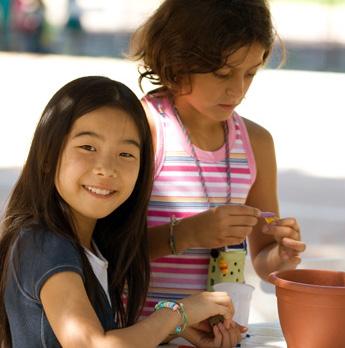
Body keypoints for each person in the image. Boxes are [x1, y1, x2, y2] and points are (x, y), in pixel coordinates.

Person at [0, 76, 241, 347]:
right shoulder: (46, 245)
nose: (106, 168)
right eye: (88, 147)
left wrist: (177, 329)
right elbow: (92, 344)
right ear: (47, 158)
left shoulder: (90, 245)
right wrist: (176, 314)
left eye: (125, 154)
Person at [130, 0, 306, 341]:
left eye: (251, 72)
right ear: (178, 63)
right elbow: (104, 248)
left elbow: (263, 262)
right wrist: (189, 234)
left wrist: (281, 257)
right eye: (223, 73)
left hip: (221, 336)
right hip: (143, 334)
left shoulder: (256, 143)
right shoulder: (143, 128)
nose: (238, 89)